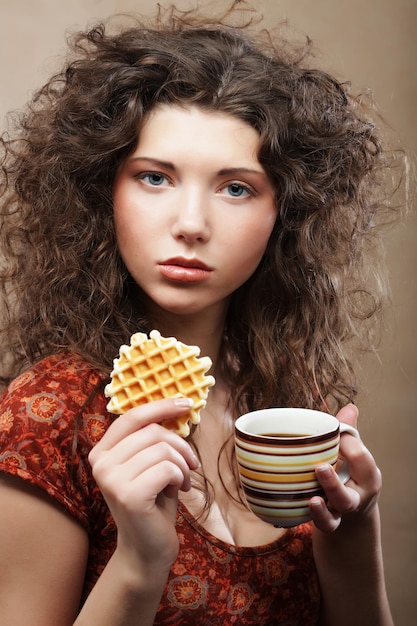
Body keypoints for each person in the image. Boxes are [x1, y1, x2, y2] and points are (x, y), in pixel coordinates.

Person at [0, 1, 400, 624]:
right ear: (103, 193)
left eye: (236, 187)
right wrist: (138, 561)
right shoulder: (45, 416)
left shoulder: (291, 402)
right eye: (155, 178)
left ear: (282, 216)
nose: (191, 225)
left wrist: (353, 538)